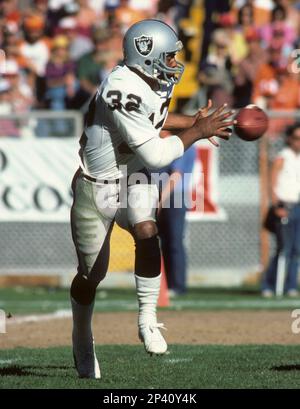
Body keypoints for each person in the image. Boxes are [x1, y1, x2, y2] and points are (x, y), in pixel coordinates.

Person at [70, 18, 235, 379]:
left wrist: (192, 120)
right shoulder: (121, 87)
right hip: (96, 184)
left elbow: (153, 123)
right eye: (169, 56)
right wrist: (198, 131)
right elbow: (157, 156)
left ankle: (148, 319)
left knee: (148, 229)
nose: (175, 63)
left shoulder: (150, 80)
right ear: (147, 55)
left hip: (132, 176)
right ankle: (82, 335)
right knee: (91, 274)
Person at [262, 123, 300, 297]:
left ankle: (290, 285)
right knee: (283, 248)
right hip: (283, 206)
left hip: (297, 206)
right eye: (296, 138)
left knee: (296, 249)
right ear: (289, 139)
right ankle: (269, 285)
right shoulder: (282, 157)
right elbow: (271, 183)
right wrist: (276, 205)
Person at [157, 145, 196, 296]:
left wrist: (160, 201)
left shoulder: (185, 145)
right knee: (164, 243)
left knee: (175, 242)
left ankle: (178, 286)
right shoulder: (169, 142)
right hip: (163, 195)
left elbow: (176, 175)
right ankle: (166, 285)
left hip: (175, 197)